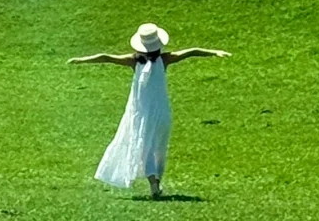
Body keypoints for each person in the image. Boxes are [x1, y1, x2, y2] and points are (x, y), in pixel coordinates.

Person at [69, 22, 231, 198]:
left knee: (144, 145)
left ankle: (153, 182)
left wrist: (82, 60)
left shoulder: (133, 61)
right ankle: (156, 182)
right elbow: (191, 51)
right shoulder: (165, 59)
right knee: (157, 146)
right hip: (161, 110)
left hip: (141, 111)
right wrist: (214, 52)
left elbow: (105, 57)